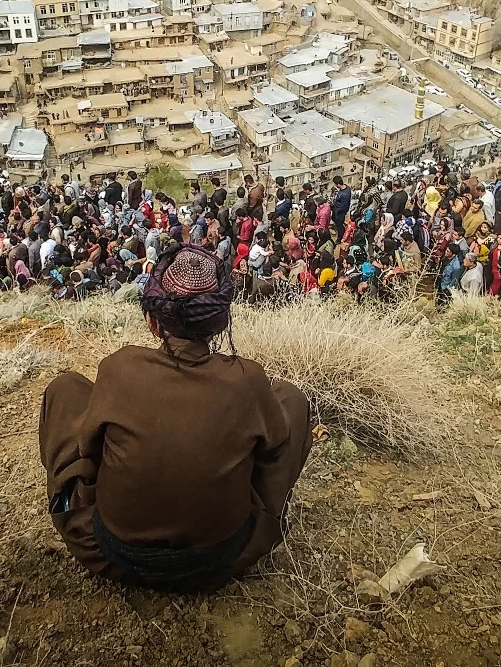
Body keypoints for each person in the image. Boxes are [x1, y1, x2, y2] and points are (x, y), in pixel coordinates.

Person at [37, 243, 312, 590]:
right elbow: (274, 448)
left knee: (65, 389)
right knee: (292, 400)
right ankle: (265, 515)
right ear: (220, 320)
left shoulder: (120, 369)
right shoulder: (249, 381)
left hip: (110, 555)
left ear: (152, 320)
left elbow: (87, 450)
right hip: (222, 559)